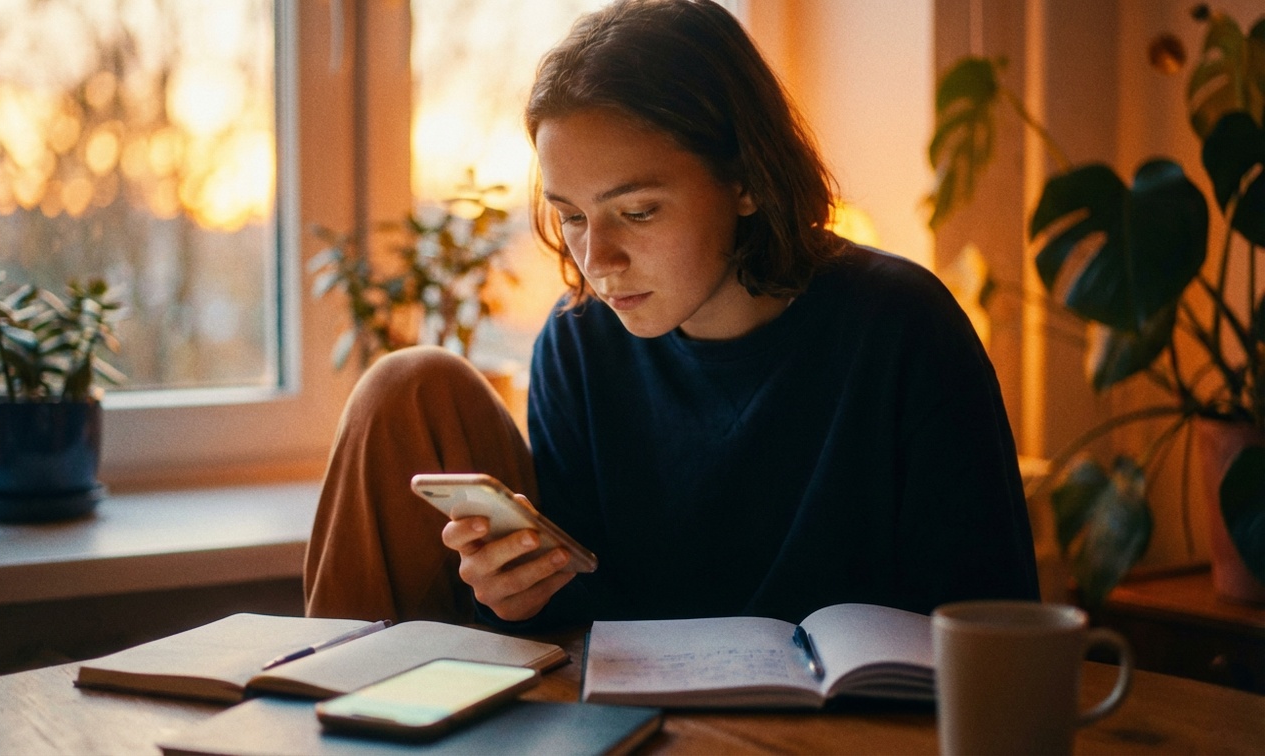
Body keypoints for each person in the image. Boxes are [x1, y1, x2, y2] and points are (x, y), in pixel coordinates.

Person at [303, 0, 1039, 629]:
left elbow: (993, 621)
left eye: (637, 211)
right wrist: (518, 596)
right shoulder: (579, 342)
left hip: (850, 721)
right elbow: (583, 620)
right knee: (406, 385)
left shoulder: (903, 326)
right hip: (635, 712)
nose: (598, 259)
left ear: (745, 179)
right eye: (571, 217)